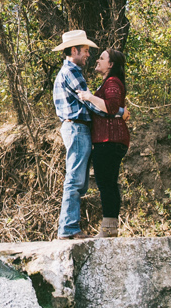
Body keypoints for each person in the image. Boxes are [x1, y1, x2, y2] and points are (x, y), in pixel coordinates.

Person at [51, 29, 103, 239]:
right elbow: (91, 103)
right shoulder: (71, 72)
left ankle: (70, 227)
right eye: (86, 50)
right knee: (74, 179)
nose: (88, 55)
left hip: (76, 127)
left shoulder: (69, 72)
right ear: (75, 50)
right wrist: (116, 112)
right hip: (76, 127)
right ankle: (68, 229)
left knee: (78, 180)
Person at [88, 47, 129, 237]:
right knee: (108, 183)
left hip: (109, 140)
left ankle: (109, 229)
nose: (98, 60)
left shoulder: (112, 81)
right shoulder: (110, 83)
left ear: (110, 65)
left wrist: (88, 96)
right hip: (109, 139)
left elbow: (111, 107)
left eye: (102, 58)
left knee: (107, 183)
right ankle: (110, 228)